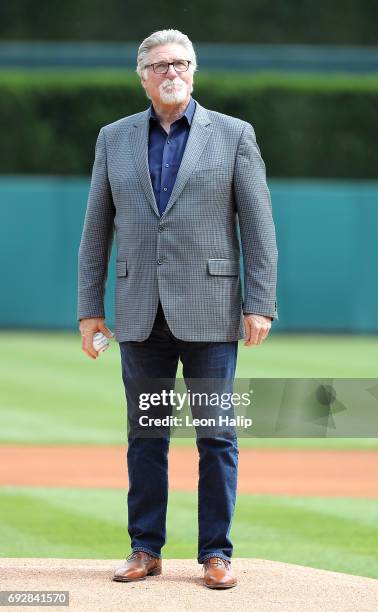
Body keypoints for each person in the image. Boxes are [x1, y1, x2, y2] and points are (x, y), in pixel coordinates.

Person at [78, 29, 278, 590]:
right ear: (142, 76)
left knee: (216, 435)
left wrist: (260, 301)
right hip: (140, 310)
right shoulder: (113, 139)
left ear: (194, 72)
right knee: (147, 434)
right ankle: (145, 548)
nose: (172, 72)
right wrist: (89, 309)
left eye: (182, 63)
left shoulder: (235, 135)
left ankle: (216, 552)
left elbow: (257, 224)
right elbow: (96, 229)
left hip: (212, 310)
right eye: (161, 65)